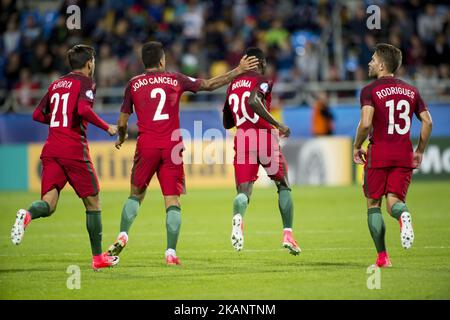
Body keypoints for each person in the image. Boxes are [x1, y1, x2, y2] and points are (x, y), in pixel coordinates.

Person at [107, 41, 259, 265]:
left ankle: (123, 234)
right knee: (173, 201)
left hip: (146, 145)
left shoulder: (133, 84)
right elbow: (207, 85)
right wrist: (238, 70)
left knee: (135, 195)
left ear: (143, 62)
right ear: (162, 60)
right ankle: (170, 253)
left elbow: (122, 122)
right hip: (172, 147)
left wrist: (121, 137)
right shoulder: (175, 79)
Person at [10, 45, 120, 270]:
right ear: (89, 63)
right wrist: (106, 126)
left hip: (51, 149)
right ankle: (98, 258)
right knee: (93, 202)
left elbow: (37, 113)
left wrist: (59, 121)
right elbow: (82, 109)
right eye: (94, 61)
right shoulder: (86, 83)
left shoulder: (56, 84)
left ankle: (27, 214)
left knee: (49, 205)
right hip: (73, 150)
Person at [353, 43, 433, 267]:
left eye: (372, 59)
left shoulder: (369, 90)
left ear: (380, 64)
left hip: (379, 153)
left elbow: (366, 123)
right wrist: (419, 151)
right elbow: (427, 122)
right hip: (403, 153)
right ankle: (403, 216)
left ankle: (382, 257)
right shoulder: (411, 90)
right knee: (394, 203)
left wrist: (356, 145)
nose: (369, 63)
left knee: (373, 205)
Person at [222, 47, 301, 255]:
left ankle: (238, 218)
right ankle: (288, 235)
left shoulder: (231, 86)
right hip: (264, 136)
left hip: (242, 138)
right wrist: (278, 124)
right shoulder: (262, 80)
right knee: (283, 185)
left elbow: (226, 121)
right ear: (262, 64)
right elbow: (253, 101)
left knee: (243, 193)